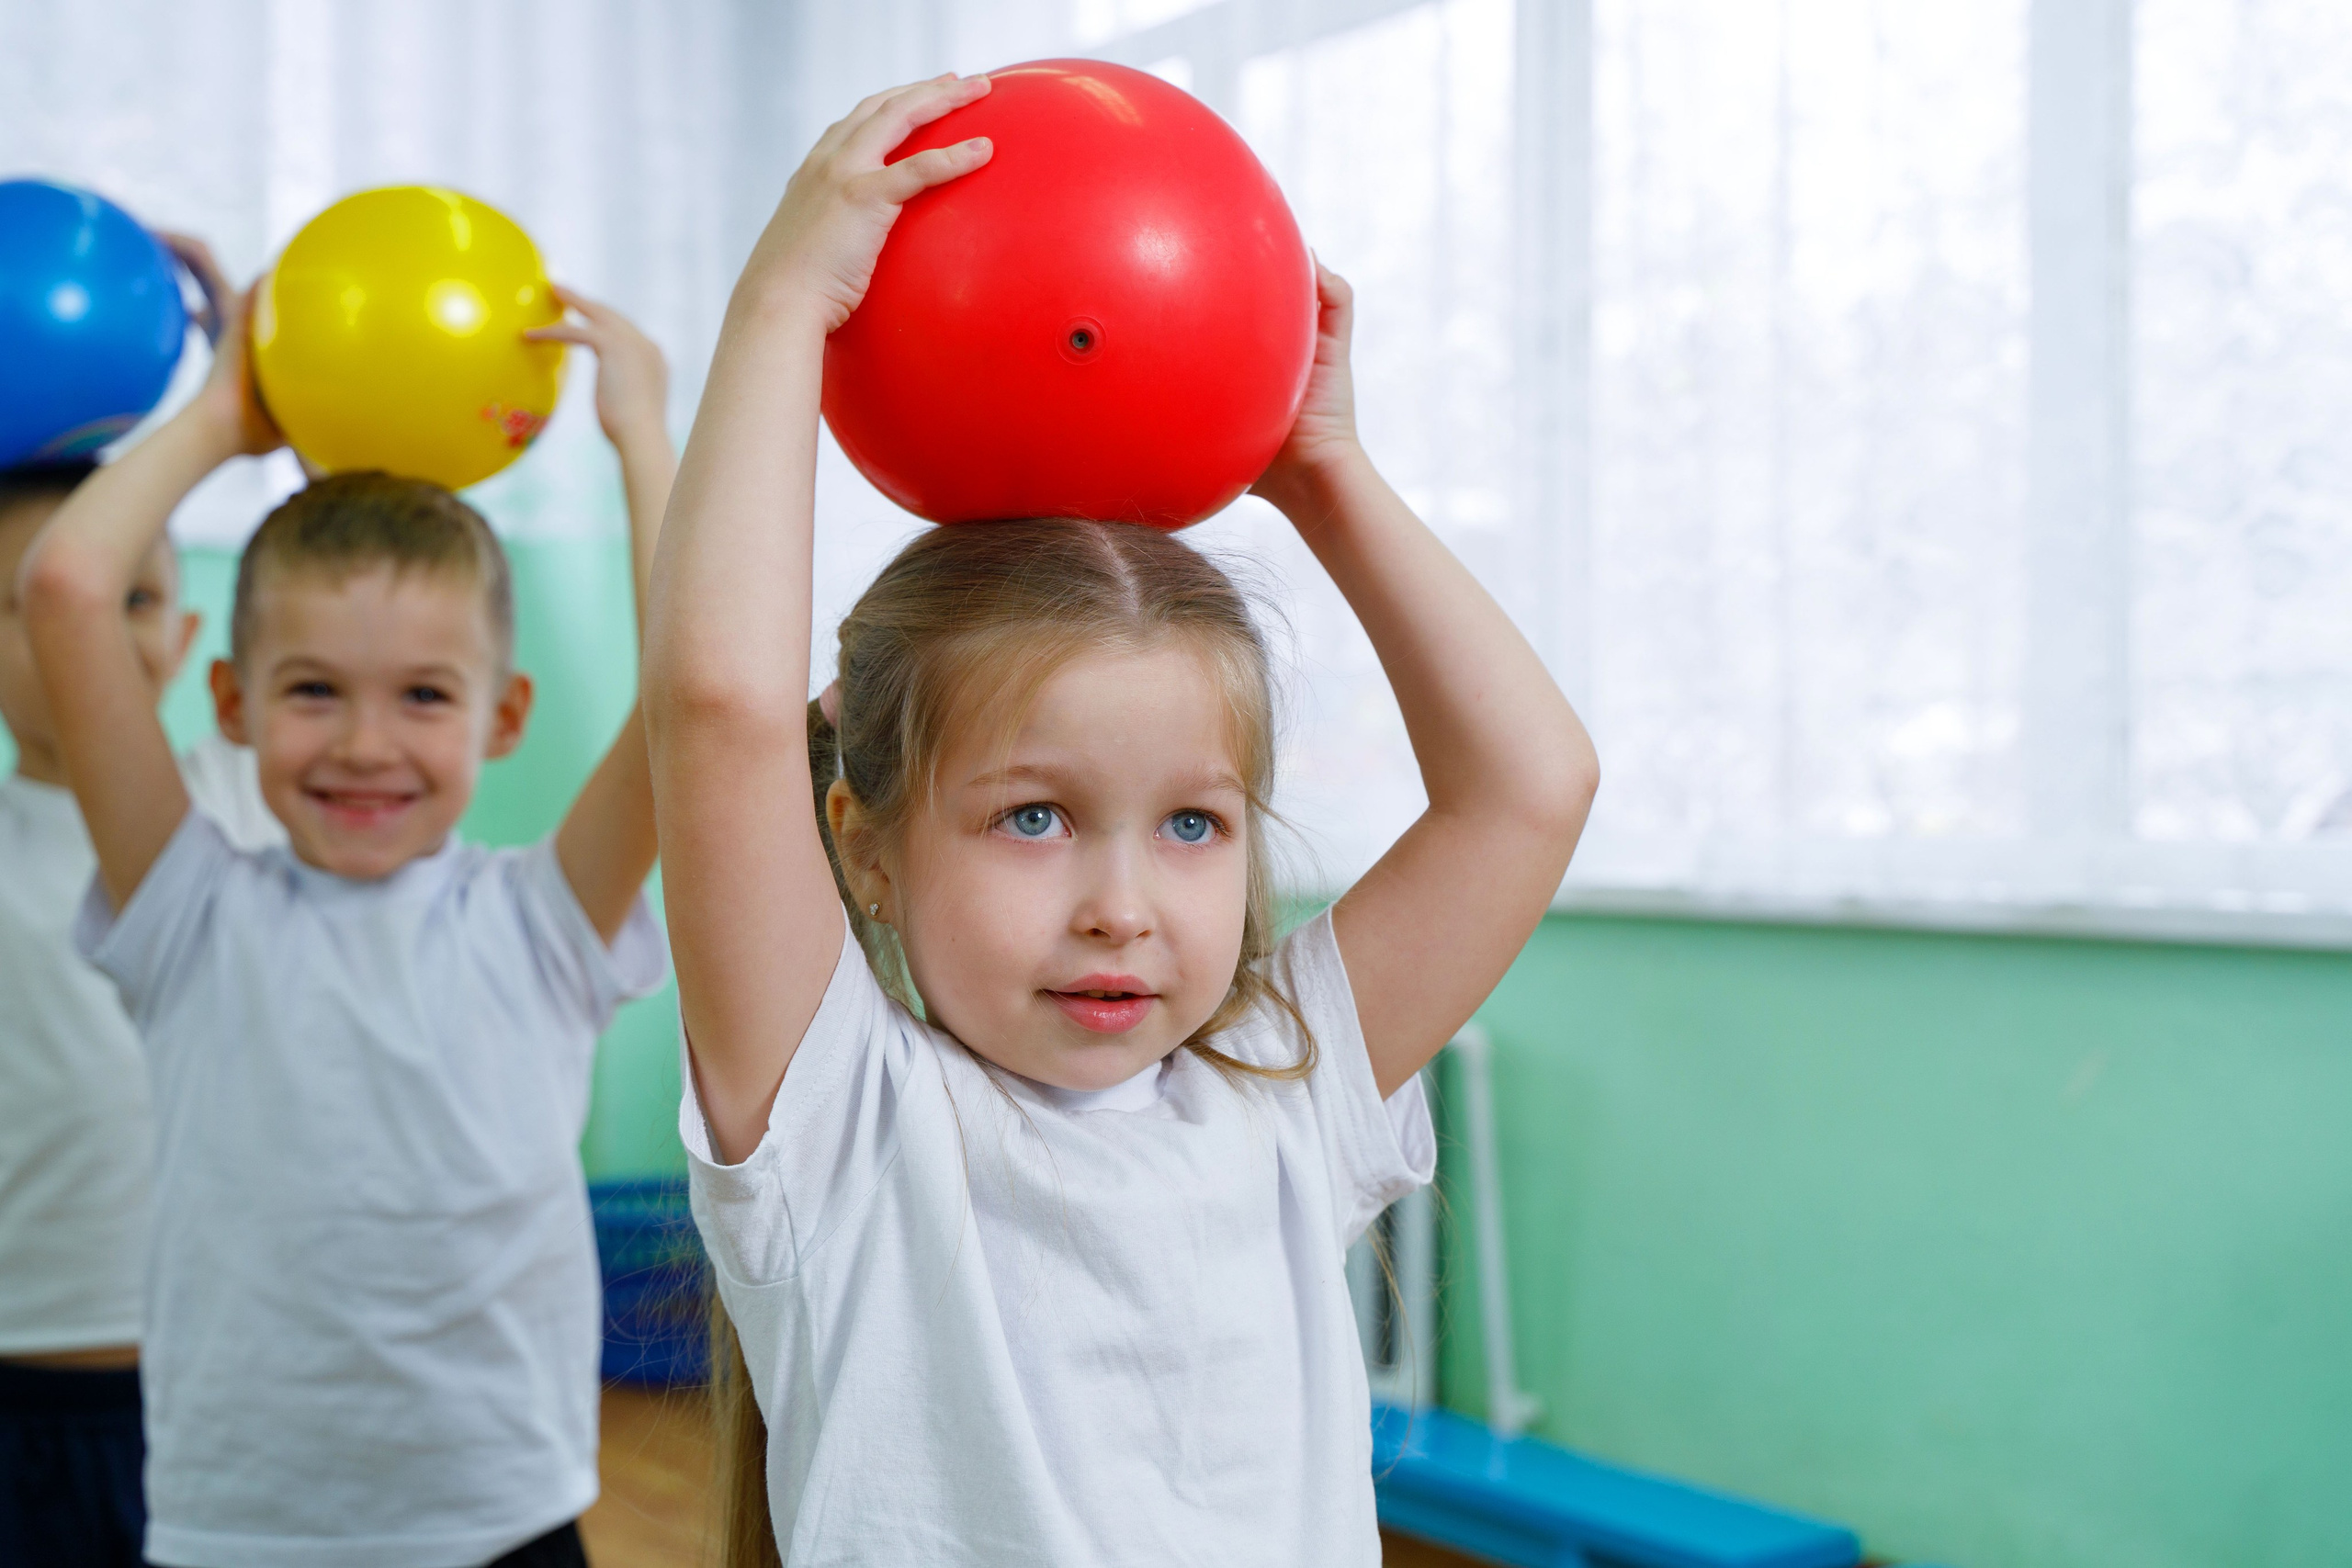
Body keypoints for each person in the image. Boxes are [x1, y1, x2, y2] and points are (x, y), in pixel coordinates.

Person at [642, 73, 1601, 1566]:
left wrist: (1328, 477)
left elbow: (1531, 787)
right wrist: (781, 308)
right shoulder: (845, 1127)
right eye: (1032, 818)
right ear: (869, 845)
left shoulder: (1288, 1095)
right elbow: (719, 708)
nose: (1122, 906)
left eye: (1195, 826)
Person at [17, 276, 675, 1568]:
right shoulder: (187, 909)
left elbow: (693, 694)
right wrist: (222, 419)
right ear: (234, 700)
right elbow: (68, 586)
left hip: (502, 1521)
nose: (366, 745)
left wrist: (643, 436)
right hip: (243, 1532)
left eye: (424, 694)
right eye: (313, 689)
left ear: (503, 716)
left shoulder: (541, 922)